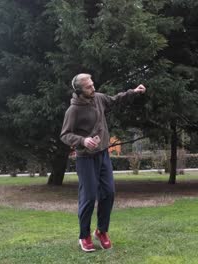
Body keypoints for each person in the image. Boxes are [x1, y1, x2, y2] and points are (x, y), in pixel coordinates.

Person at [60, 73, 146, 252]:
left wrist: (134, 92)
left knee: (108, 193)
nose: (93, 88)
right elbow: (65, 135)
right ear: (79, 90)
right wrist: (83, 141)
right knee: (89, 196)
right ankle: (84, 236)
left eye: (92, 84)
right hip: (85, 158)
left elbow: (115, 99)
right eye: (89, 87)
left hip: (103, 154)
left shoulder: (99, 98)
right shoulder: (73, 110)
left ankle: (101, 231)